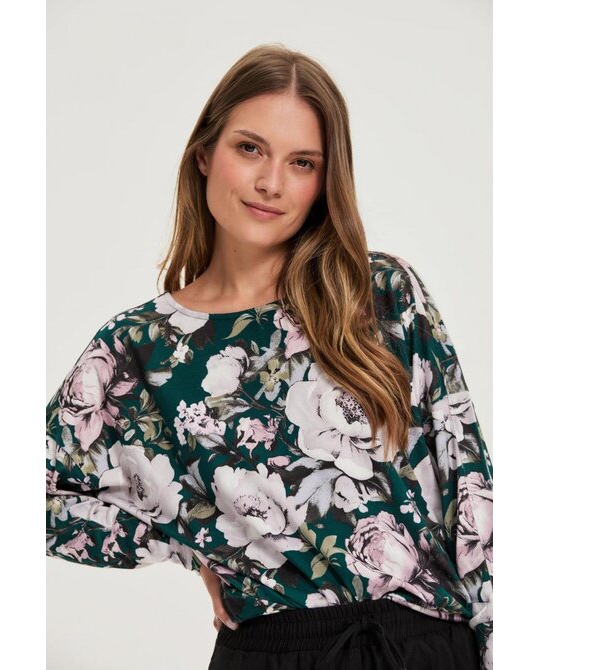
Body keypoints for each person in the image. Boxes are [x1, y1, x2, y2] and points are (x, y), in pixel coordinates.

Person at [46, 43, 493, 670]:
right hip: (270, 651)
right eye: (250, 148)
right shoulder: (138, 347)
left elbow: (469, 489)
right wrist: (193, 549)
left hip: (424, 647)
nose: (271, 183)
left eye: (302, 162)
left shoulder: (379, 293)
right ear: (205, 154)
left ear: (324, 181)